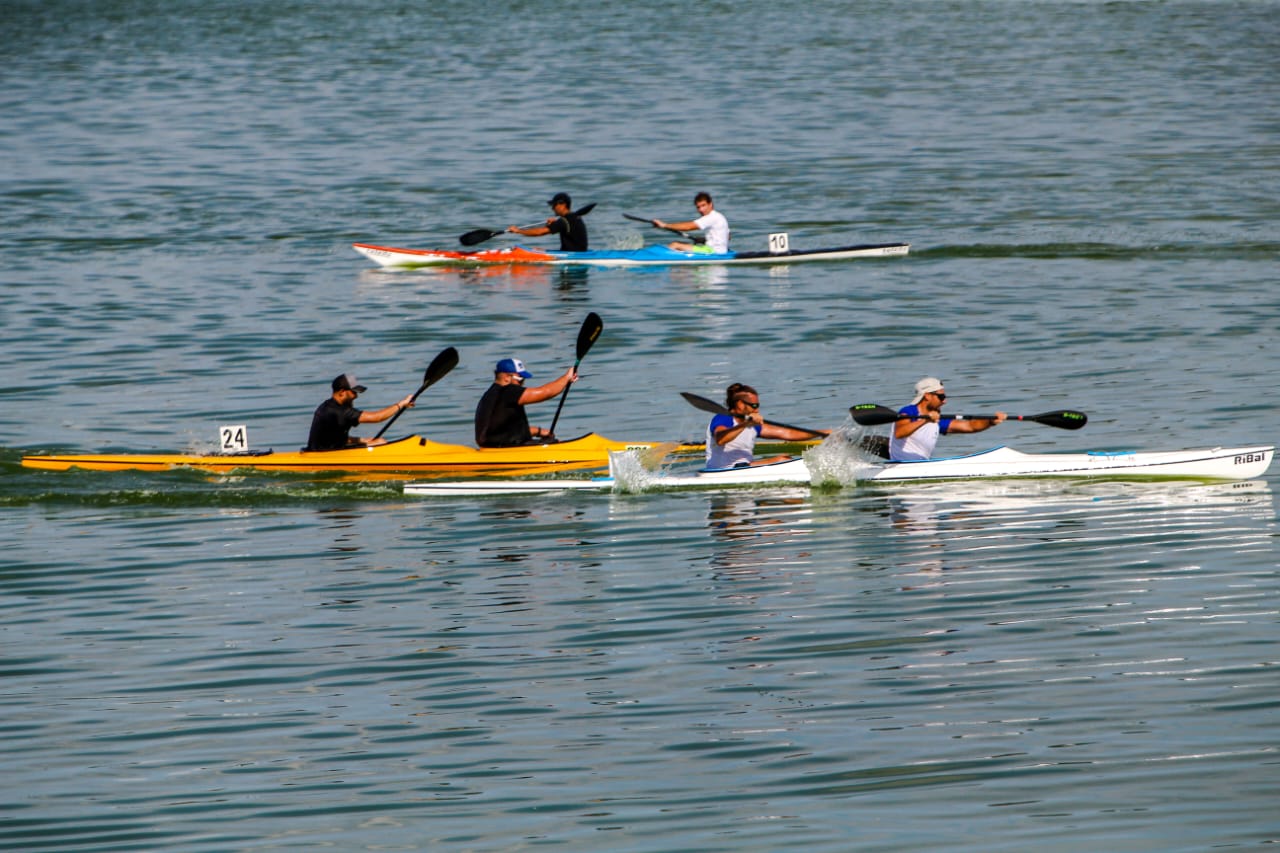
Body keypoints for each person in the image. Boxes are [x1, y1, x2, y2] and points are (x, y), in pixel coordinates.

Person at [706, 383, 826, 468]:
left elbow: (788, 433)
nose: (757, 409)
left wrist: (823, 433)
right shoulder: (723, 418)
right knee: (783, 460)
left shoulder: (753, 425)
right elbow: (721, 439)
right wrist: (746, 424)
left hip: (744, 468)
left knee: (785, 458)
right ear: (740, 404)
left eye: (758, 405)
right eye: (754, 405)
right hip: (723, 471)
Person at [888, 377, 1006, 461]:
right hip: (901, 466)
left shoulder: (937, 419)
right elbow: (900, 433)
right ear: (927, 395)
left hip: (920, 465)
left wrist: (990, 422)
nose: (945, 401)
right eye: (941, 396)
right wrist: (926, 420)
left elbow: (969, 426)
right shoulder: (909, 411)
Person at [475, 357, 579, 447]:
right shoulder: (508, 392)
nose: (522, 383)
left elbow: (505, 430)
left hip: (496, 445)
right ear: (506, 377)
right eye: (520, 379)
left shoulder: (490, 394)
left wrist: (539, 431)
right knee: (554, 443)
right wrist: (566, 378)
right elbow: (545, 393)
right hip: (506, 448)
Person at [306, 373, 415, 451]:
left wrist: (363, 440)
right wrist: (401, 404)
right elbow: (377, 418)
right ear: (342, 392)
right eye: (353, 392)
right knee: (381, 443)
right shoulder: (340, 411)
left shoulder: (328, 406)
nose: (356, 396)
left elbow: (334, 438)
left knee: (378, 441)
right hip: (326, 456)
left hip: (325, 450)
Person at [506, 192, 588, 251]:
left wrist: (518, 231)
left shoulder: (564, 221)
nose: (552, 208)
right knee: (538, 250)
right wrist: (545, 251)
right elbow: (564, 226)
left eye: (554, 205)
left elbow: (539, 232)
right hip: (577, 252)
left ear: (562, 205)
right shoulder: (575, 217)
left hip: (572, 256)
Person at [654, 191, 731, 254]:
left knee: (675, 245)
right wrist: (705, 240)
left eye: (703, 205)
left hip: (712, 251)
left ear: (710, 204)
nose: (701, 210)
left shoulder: (711, 217)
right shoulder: (720, 216)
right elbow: (728, 237)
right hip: (720, 251)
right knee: (680, 246)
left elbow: (688, 227)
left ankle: (657, 259)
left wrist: (664, 225)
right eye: (698, 207)